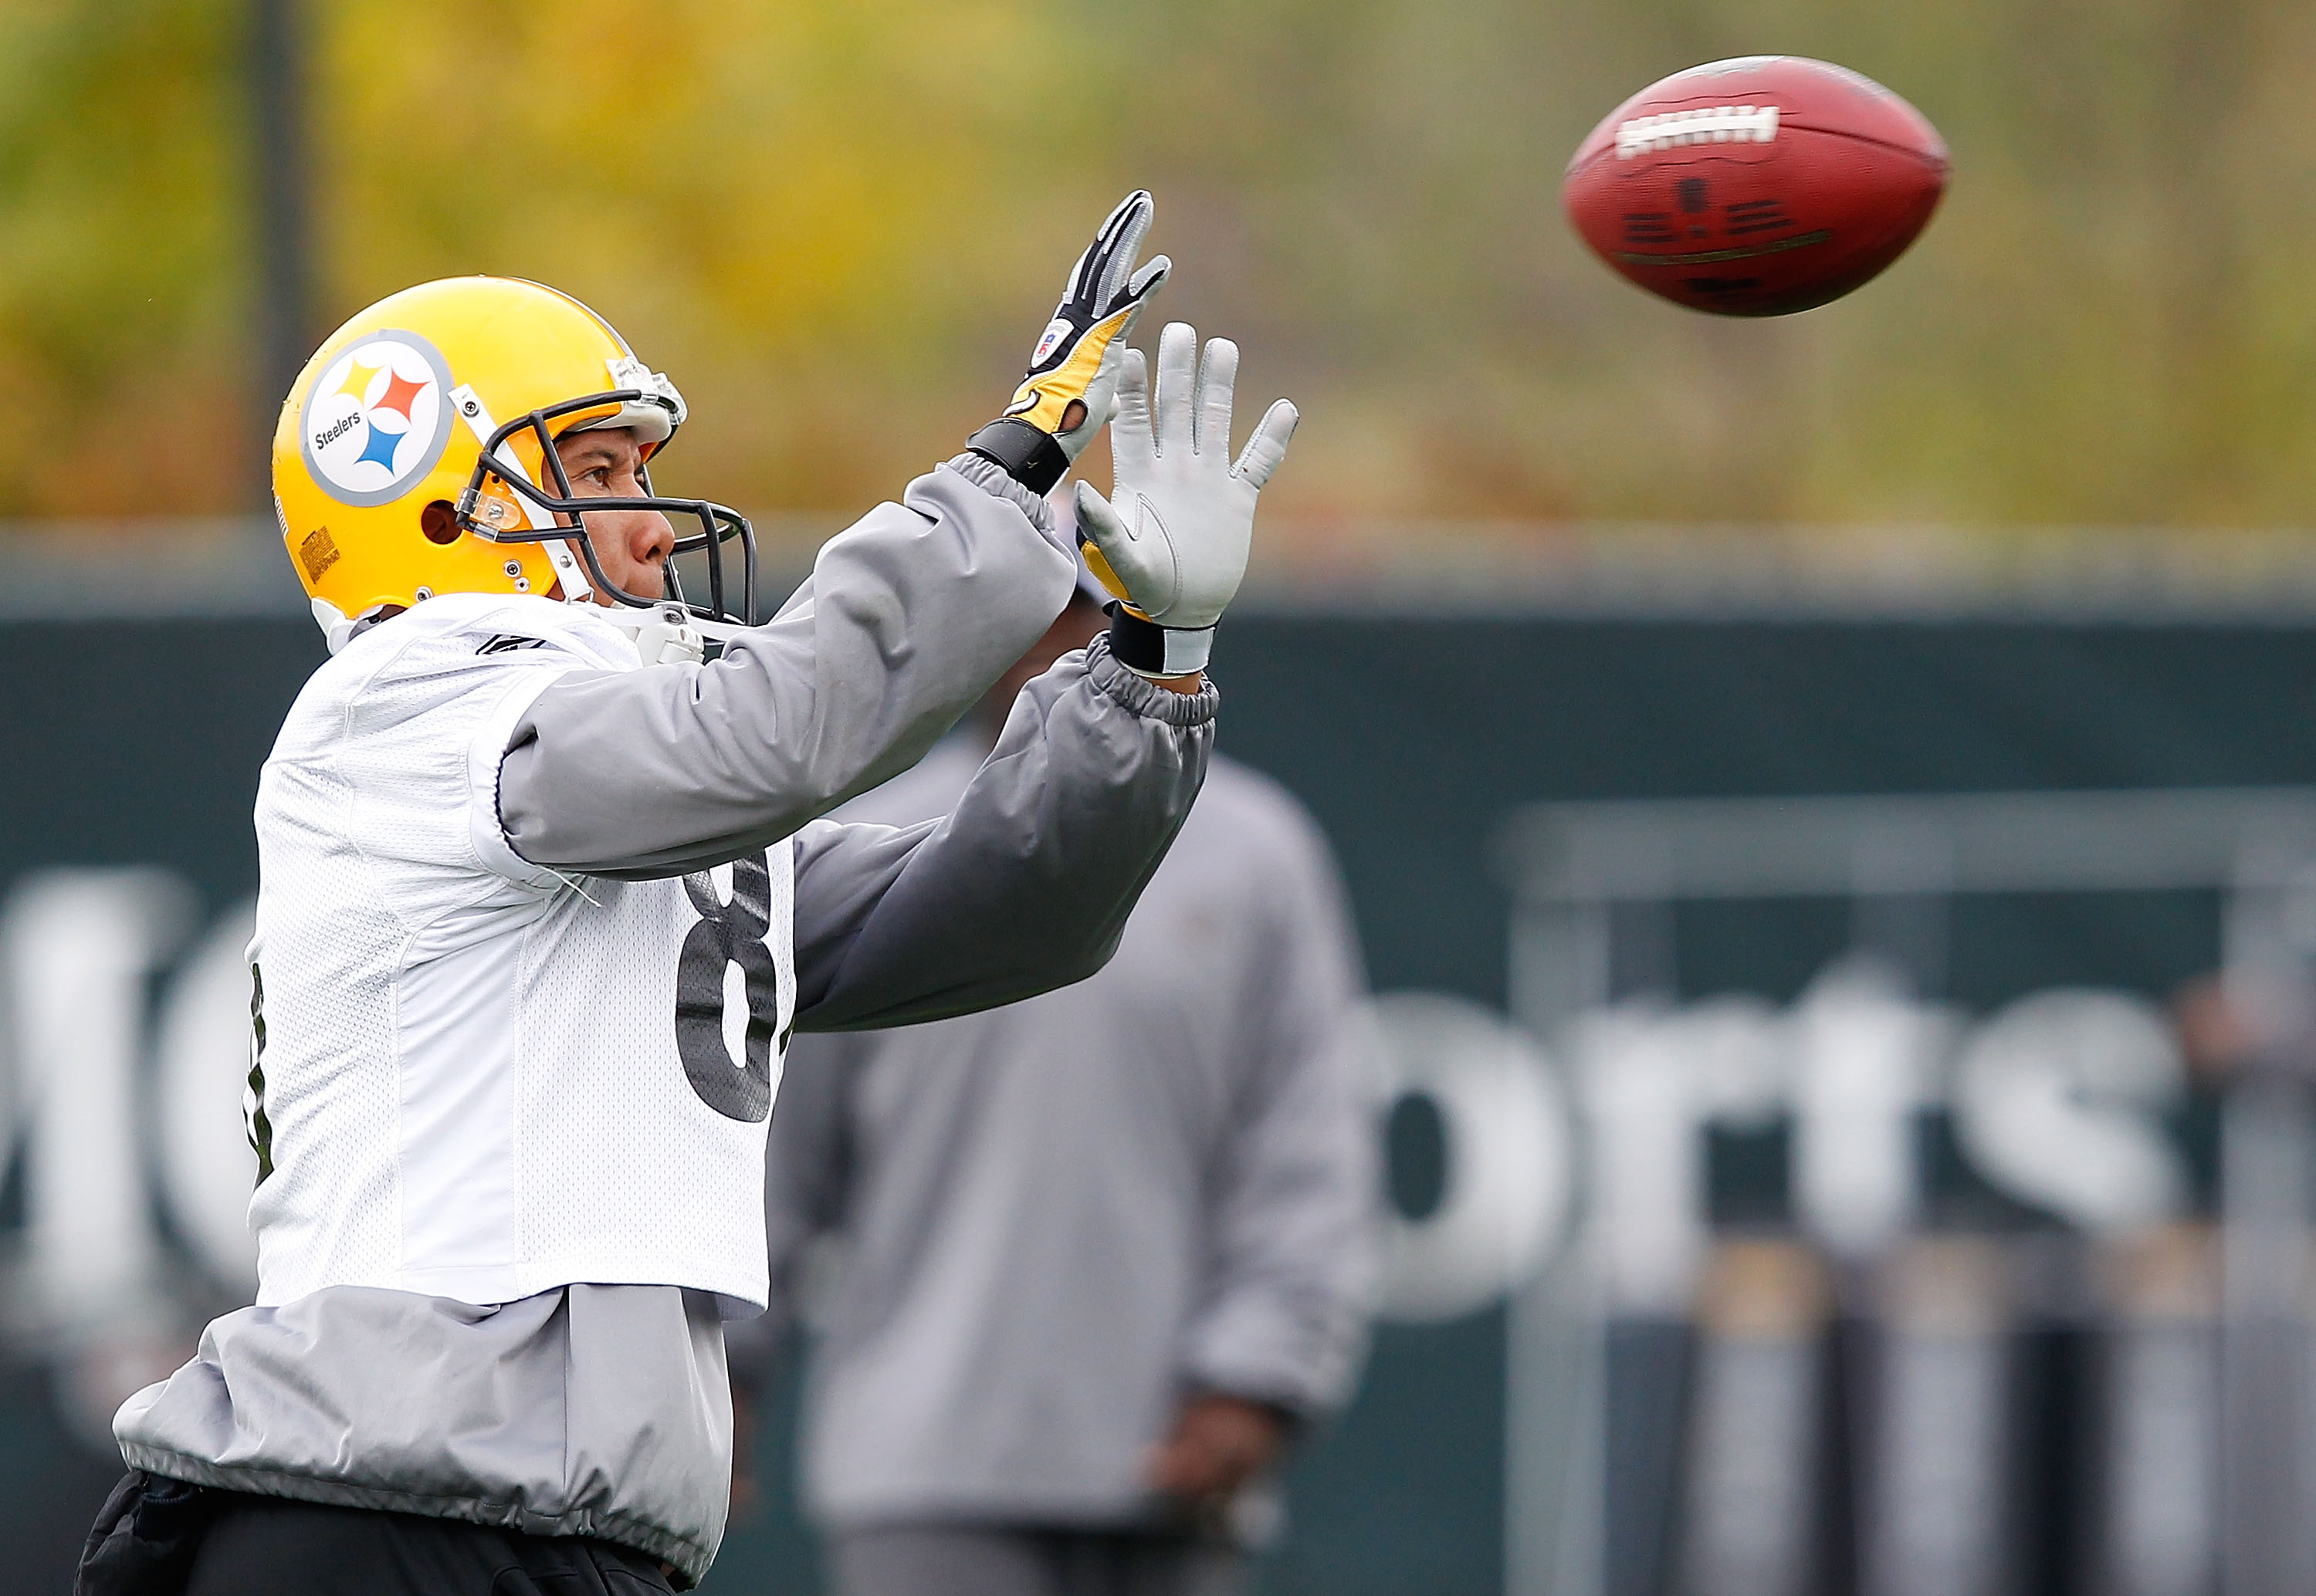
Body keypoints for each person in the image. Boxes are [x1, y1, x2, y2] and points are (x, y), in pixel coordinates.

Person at [76, 191, 1302, 1595]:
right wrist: (1006, 469)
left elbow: (1010, 908)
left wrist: (1152, 655)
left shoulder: (612, 794)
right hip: (386, 1512)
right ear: (434, 507)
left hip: (555, 1529)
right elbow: (774, 734)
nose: (651, 524)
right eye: (593, 471)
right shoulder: (409, 705)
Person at [734, 580, 1377, 1596]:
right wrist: (723, 1372)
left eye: (1088, 613)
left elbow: (1306, 1147)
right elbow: (768, 1159)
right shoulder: (864, 851)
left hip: (1171, 1467)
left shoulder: (1258, 856)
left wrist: (1253, 1380)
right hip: (922, 1471)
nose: (1056, 643)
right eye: (1026, 610)